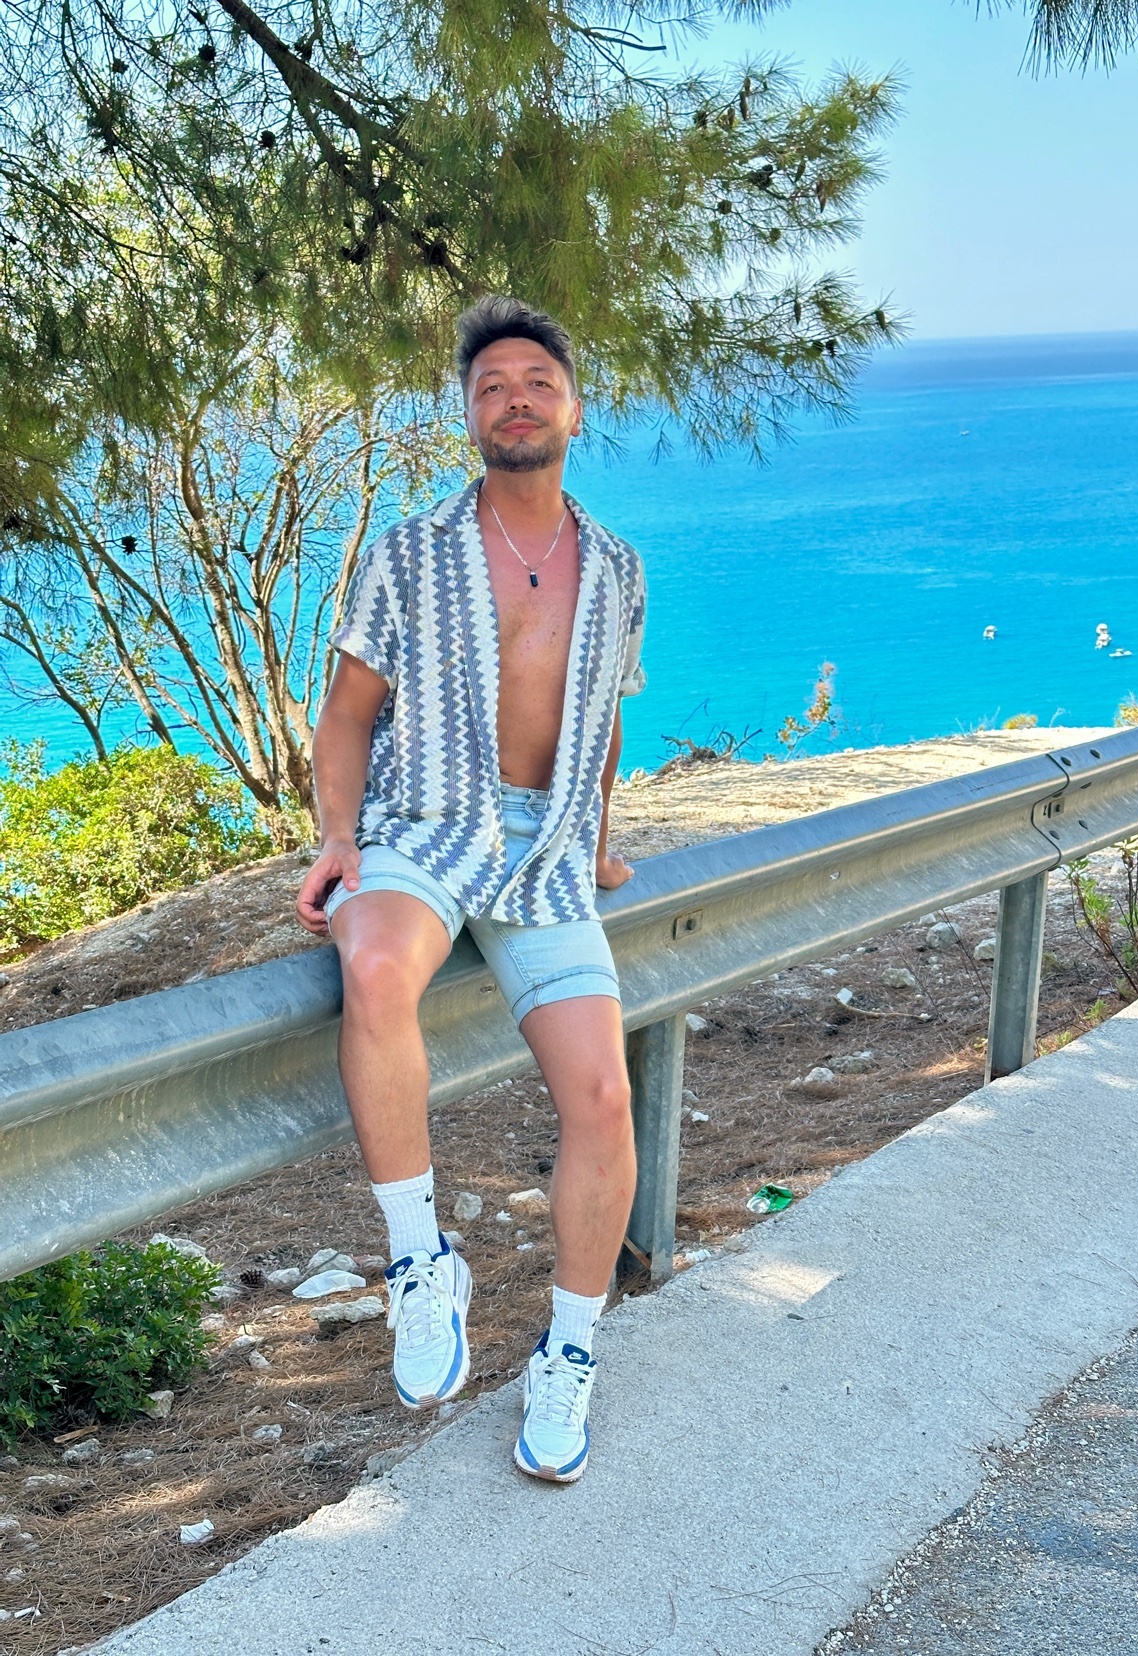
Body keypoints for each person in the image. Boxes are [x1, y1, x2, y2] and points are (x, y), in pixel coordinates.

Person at [294, 295, 646, 1484]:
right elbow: (343, 720)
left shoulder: (619, 569)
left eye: (536, 382)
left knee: (603, 1098)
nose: (515, 398)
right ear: (469, 416)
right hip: (425, 827)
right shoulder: (409, 553)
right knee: (376, 966)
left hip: (546, 858)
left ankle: (569, 1351)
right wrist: (339, 839)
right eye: (491, 385)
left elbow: (598, 726)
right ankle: (416, 1260)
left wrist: (596, 842)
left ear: (573, 408)